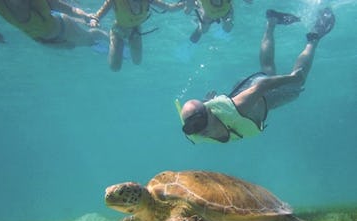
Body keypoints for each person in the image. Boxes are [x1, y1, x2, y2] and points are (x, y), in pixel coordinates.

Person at [178, 8, 335, 144]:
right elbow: (193, 117)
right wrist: (203, 105)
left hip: (259, 95)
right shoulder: (195, 134)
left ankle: (314, 38)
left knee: (295, 87)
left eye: (199, 123)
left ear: (210, 112)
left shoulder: (237, 109)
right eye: (191, 128)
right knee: (267, 69)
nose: (200, 131)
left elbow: (262, 87)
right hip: (245, 89)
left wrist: (292, 78)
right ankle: (272, 21)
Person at [89, 0, 185, 72]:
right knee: (114, 67)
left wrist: (183, 5)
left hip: (135, 31)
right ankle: (106, 39)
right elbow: (101, 11)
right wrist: (95, 19)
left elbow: (169, 8)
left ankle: (123, 47)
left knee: (137, 61)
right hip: (118, 30)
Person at [0, 0, 108, 48]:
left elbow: (62, 6)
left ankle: (108, 36)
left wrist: (84, 15)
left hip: (62, 27)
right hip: (44, 40)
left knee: (89, 40)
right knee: (71, 47)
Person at [185, 0, 252, 43]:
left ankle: (226, 22)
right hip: (208, 14)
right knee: (204, 30)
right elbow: (187, 11)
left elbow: (249, 2)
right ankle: (199, 30)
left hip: (226, 12)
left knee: (227, 28)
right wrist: (189, 4)